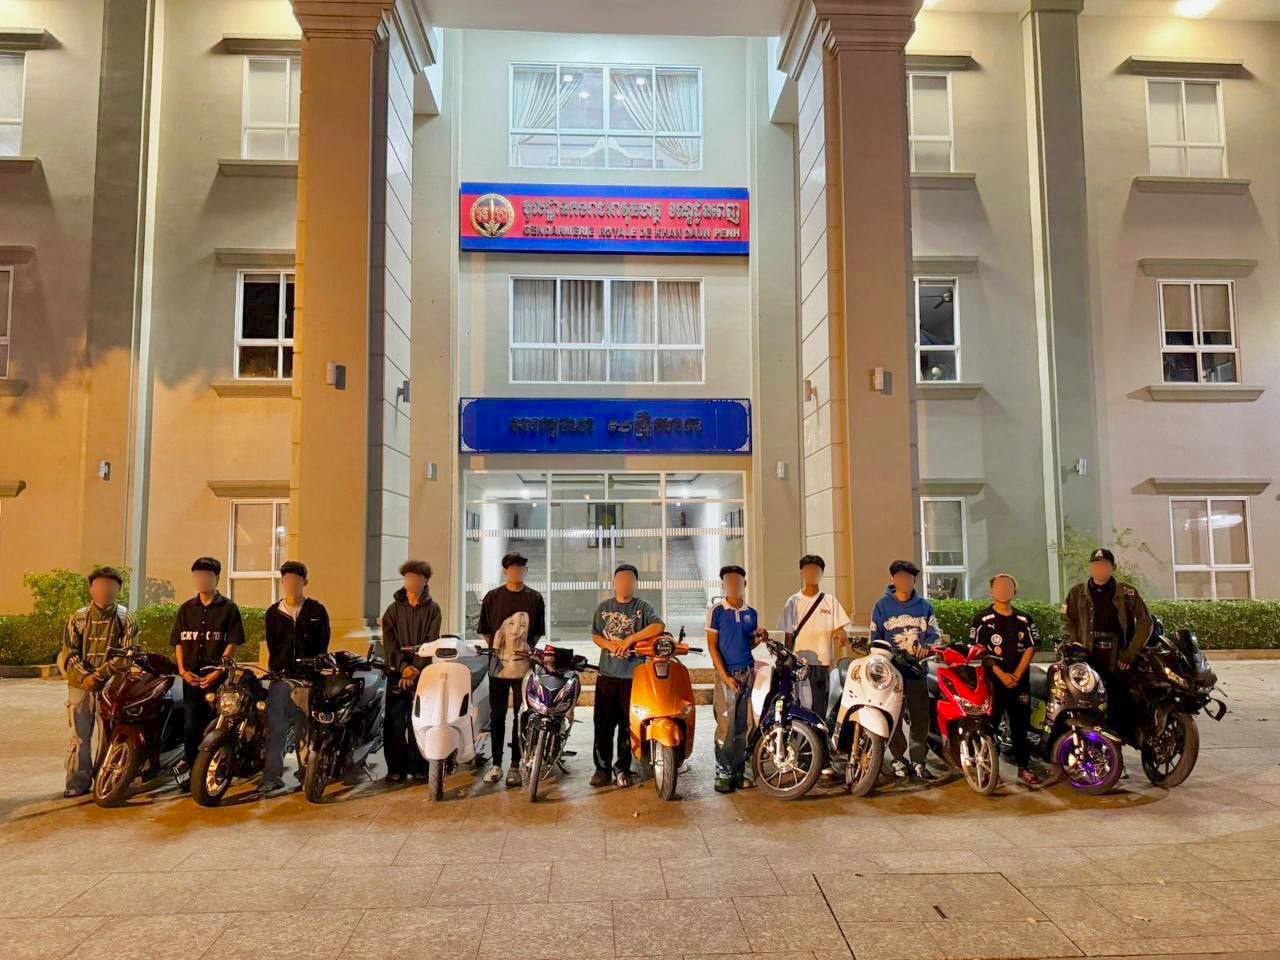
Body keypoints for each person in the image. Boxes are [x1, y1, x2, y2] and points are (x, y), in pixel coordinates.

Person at [59, 566, 139, 798]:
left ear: (118, 590)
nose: (105, 590)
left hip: (111, 687)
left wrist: (101, 675)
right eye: (100, 586)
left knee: (109, 737)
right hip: (80, 686)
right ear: (91, 589)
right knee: (78, 737)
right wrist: (85, 677)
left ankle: (106, 782)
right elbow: (69, 653)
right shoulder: (77, 618)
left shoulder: (126, 619)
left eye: (110, 586)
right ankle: (77, 783)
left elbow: (126, 654)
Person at [169, 557, 245, 783]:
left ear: (216, 578)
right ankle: (193, 775)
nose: (202, 580)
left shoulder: (229, 608)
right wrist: (182, 670)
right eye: (198, 576)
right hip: (191, 679)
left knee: (216, 726)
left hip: (218, 680)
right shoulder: (186, 609)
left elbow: (232, 642)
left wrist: (219, 671)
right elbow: (178, 642)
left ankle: (214, 772)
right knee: (191, 727)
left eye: (207, 575)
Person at [590, 563, 665, 788]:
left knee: (627, 725)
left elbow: (658, 626)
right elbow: (596, 635)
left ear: (635, 583)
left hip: (634, 677)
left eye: (630, 580)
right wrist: (609, 645)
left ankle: (622, 767)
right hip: (607, 674)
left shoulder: (643, 607)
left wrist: (630, 639)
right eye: (621, 580)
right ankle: (602, 769)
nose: (625, 584)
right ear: (614, 583)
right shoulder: (604, 607)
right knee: (602, 724)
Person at [1063, 547, 1153, 733]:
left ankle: (1117, 736)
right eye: (1096, 564)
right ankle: (1090, 736)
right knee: (1088, 696)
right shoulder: (1077, 593)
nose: (1100, 568)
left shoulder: (1127, 593)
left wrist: (1131, 653)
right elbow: (1066, 622)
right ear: (1090, 567)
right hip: (1087, 652)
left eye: (1104, 565)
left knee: (1119, 696)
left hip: (1118, 653)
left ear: (1113, 567)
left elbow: (1145, 622)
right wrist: (1074, 646)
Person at [477, 552, 546, 788]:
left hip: (524, 666)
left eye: (521, 569)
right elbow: (486, 630)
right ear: (505, 571)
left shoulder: (535, 598)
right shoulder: (493, 597)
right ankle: (496, 764)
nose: (517, 573)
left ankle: (516, 764)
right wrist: (499, 652)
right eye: (513, 569)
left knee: (522, 714)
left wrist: (524, 652)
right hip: (497, 667)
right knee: (497, 715)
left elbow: (536, 632)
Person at [260, 561, 331, 793]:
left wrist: (314, 670)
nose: (291, 584)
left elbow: (322, 644)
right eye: (287, 580)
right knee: (276, 728)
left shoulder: (316, 611)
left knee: (305, 728)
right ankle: (272, 777)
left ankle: (305, 775)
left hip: (307, 679)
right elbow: (273, 644)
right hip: (281, 678)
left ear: (304, 582)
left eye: (296, 580)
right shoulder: (273, 613)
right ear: (283, 582)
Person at [869, 559, 939, 781]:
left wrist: (927, 647)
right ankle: (898, 758)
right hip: (891, 674)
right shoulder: (882, 606)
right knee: (893, 717)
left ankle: (918, 760)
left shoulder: (924, 606)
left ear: (914, 580)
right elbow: (875, 638)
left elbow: (935, 635)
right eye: (900, 577)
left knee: (920, 717)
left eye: (908, 578)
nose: (904, 581)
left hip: (917, 671)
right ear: (893, 579)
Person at [969, 573, 1042, 787]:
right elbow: (979, 651)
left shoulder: (1024, 619)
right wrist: (1000, 674)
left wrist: (1017, 674)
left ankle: (1024, 768)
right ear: (991, 592)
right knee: (989, 725)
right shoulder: (981, 620)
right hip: (992, 681)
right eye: (999, 587)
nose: (1003, 590)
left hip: (1020, 681)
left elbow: (1030, 647)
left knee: (1021, 725)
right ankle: (990, 770)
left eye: (1008, 586)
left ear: (1014, 591)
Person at [380, 560, 442, 784]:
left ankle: (419, 767)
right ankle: (395, 768)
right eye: (408, 577)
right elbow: (389, 643)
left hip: (422, 673)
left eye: (417, 578)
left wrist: (415, 669)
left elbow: (431, 641)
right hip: (397, 672)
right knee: (394, 722)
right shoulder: (393, 610)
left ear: (425, 581)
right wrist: (403, 667)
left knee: (419, 720)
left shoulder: (433, 609)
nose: (412, 582)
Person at [706, 565, 765, 794]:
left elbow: (747, 643)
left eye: (737, 581)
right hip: (727, 674)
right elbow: (712, 647)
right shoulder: (717, 611)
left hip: (747, 672)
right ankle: (723, 772)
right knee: (726, 724)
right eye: (729, 582)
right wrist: (725, 677)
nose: (733, 585)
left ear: (744, 584)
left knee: (744, 724)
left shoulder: (752, 613)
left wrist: (758, 639)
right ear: (723, 585)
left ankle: (739, 771)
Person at [777, 554, 851, 721]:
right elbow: (788, 635)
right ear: (802, 573)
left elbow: (839, 629)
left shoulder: (830, 601)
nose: (812, 574)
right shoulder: (793, 602)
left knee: (819, 707)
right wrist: (787, 662)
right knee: (799, 707)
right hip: (799, 664)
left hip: (822, 664)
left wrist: (840, 634)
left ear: (821, 573)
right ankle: (801, 736)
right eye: (808, 570)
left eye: (816, 570)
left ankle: (818, 736)